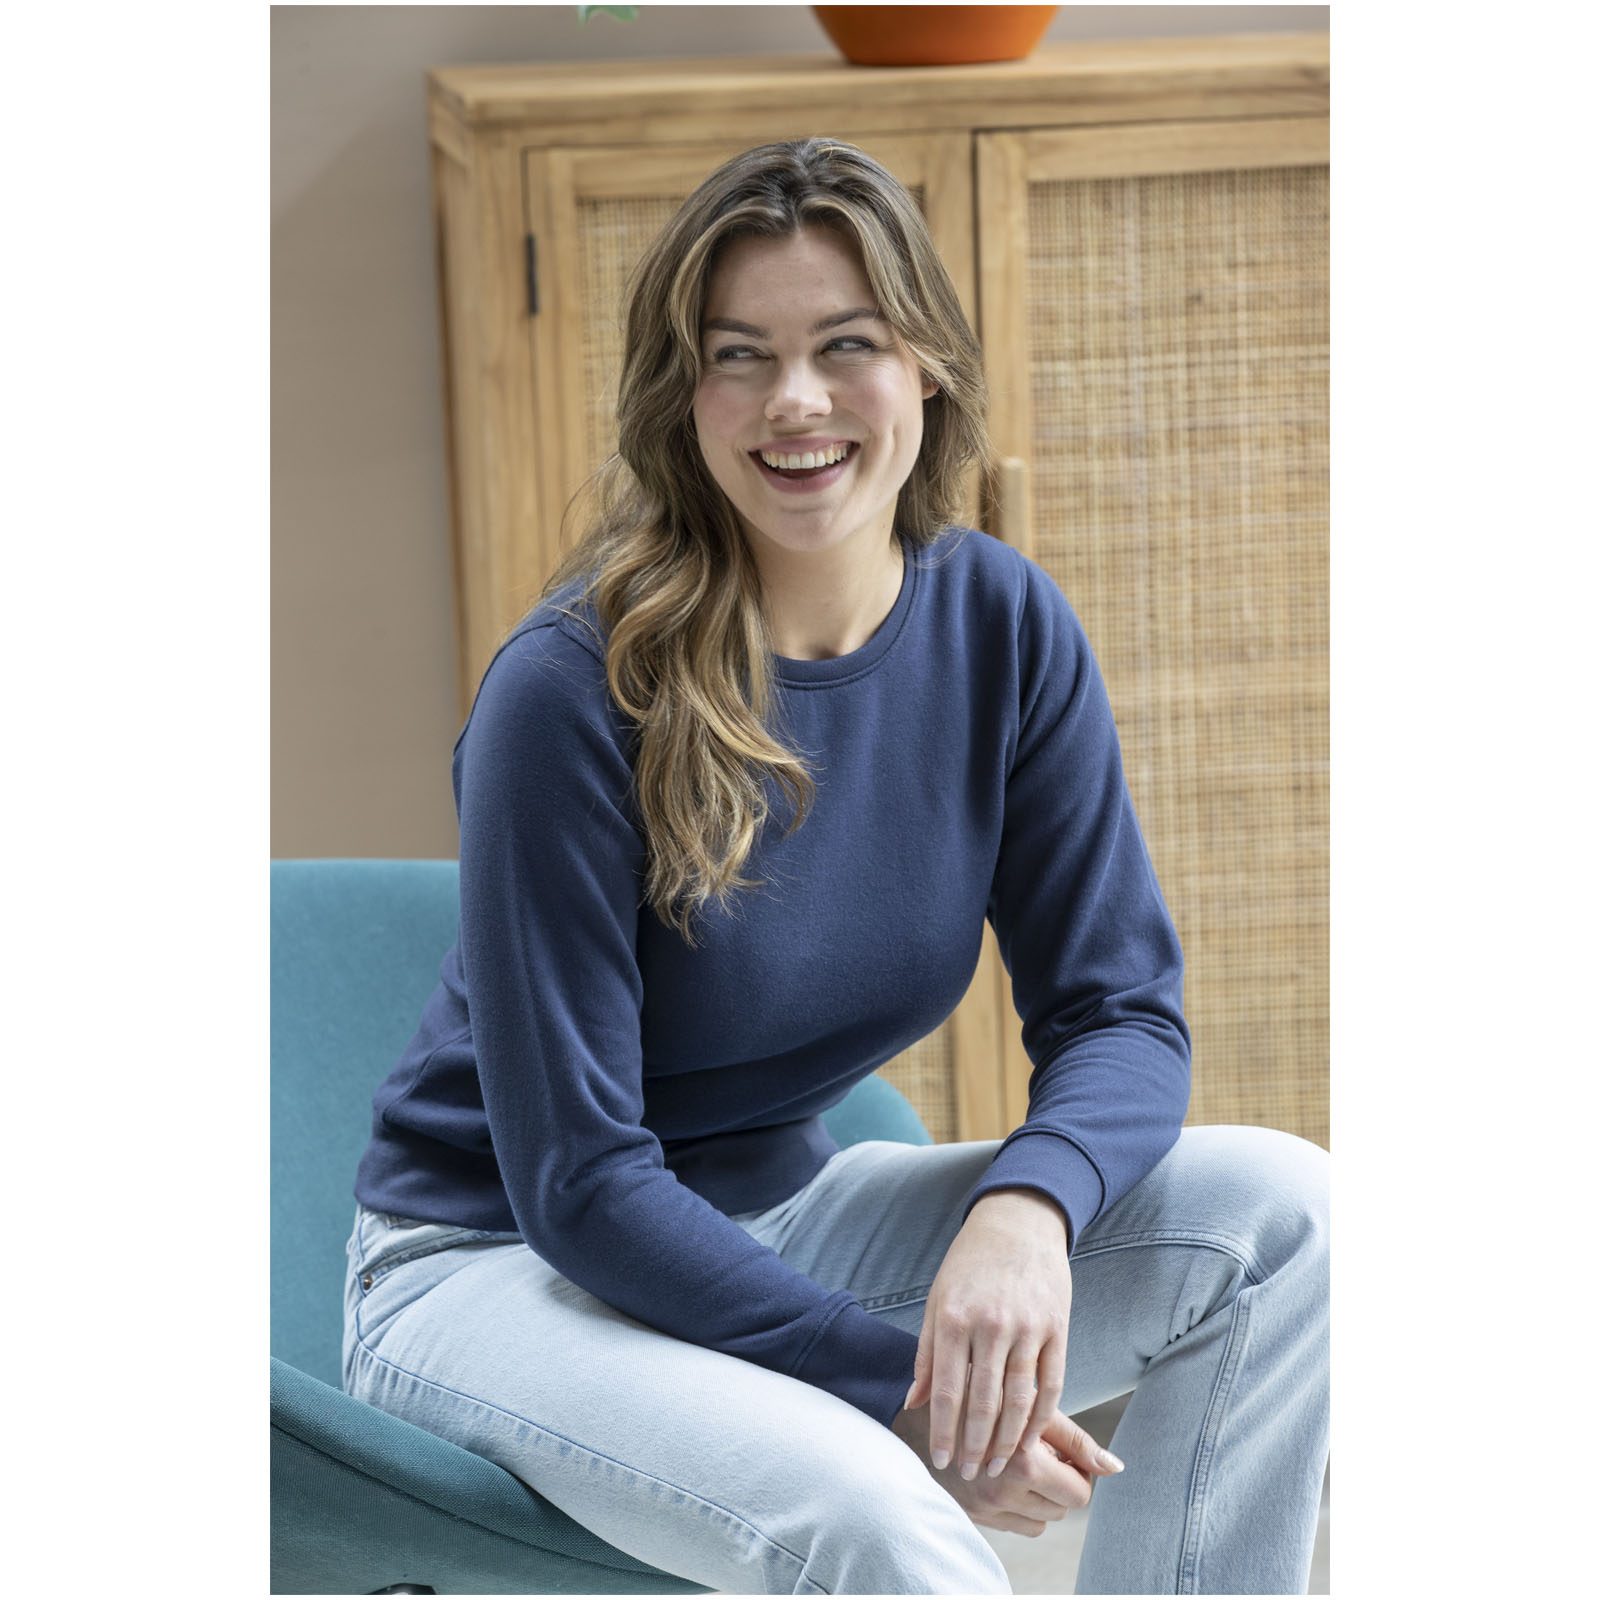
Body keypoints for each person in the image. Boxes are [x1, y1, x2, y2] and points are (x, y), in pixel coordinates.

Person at [343, 138, 1329, 1595]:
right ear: (684, 398)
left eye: (845, 345)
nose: (794, 401)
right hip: (492, 1273)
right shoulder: (570, 691)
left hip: (780, 1224)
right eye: (738, 356)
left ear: (925, 365)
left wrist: (1026, 1211)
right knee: (876, 1514)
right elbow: (582, 1180)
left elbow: (1120, 1009)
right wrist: (895, 1392)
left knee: (1286, 1219)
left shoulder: (1001, 626)